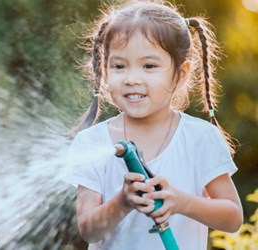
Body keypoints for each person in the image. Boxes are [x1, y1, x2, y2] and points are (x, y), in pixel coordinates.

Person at [66, 0, 243, 249]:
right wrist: (122, 201)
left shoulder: (199, 138)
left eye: (149, 66)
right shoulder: (91, 142)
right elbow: (89, 230)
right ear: (104, 71)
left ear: (181, 74)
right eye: (119, 66)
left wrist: (181, 202)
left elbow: (233, 217)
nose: (131, 78)